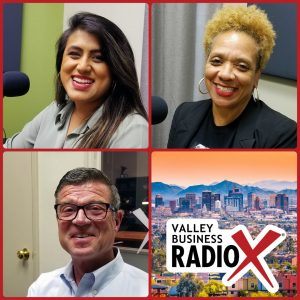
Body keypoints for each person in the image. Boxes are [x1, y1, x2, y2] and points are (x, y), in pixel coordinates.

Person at [5, 12, 148, 148]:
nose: (83, 66)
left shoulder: (132, 128)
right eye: (74, 54)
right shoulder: (55, 110)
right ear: (60, 63)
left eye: (98, 58)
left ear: (116, 69)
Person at [168, 5, 296, 149]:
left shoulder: (283, 135)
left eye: (241, 66)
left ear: (256, 76)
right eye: (217, 61)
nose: (225, 74)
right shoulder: (184, 114)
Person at [27, 167, 148, 296]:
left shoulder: (146, 290)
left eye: (95, 208)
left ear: (117, 221)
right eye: (68, 209)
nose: (80, 220)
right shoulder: (41, 289)